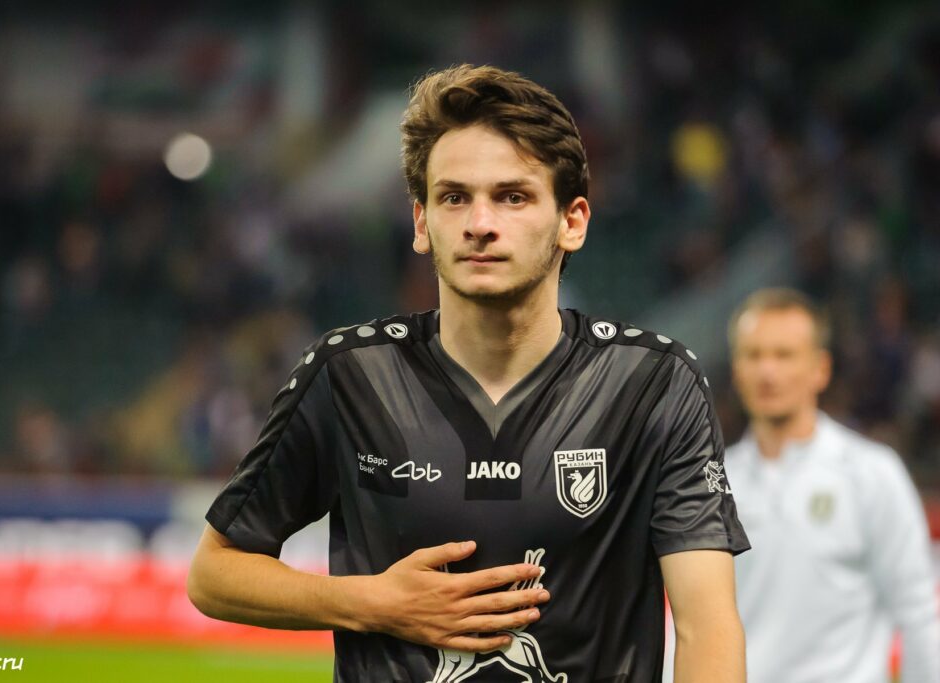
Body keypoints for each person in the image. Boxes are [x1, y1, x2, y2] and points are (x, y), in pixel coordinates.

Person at [187, 64, 749, 683]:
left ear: (573, 221)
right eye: (454, 197)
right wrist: (371, 602)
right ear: (421, 223)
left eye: (513, 197)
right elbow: (214, 572)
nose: (480, 224)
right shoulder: (348, 375)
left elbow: (706, 625)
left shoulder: (654, 384)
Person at [726, 288, 940, 683]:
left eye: (784, 355)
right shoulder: (715, 483)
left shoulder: (871, 474)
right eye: (753, 355)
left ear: (820, 369)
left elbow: (917, 613)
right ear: (736, 369)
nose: (767, 371)